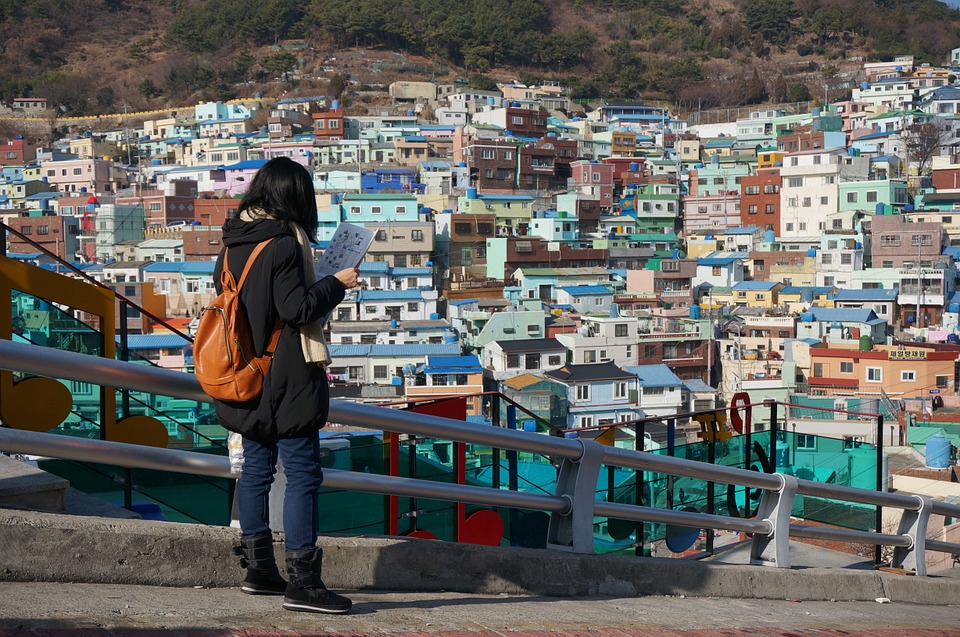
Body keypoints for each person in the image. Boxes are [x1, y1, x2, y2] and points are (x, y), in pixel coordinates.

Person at [213, 156, 358, 615]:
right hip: (287, 379)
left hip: (243, 374)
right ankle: (304, 583)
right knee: (303, 476)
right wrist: (336, 282)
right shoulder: (284, 245)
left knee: (255, 473)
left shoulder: (232, 244)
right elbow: (296, 309)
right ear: (296, 197)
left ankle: (259, 570)